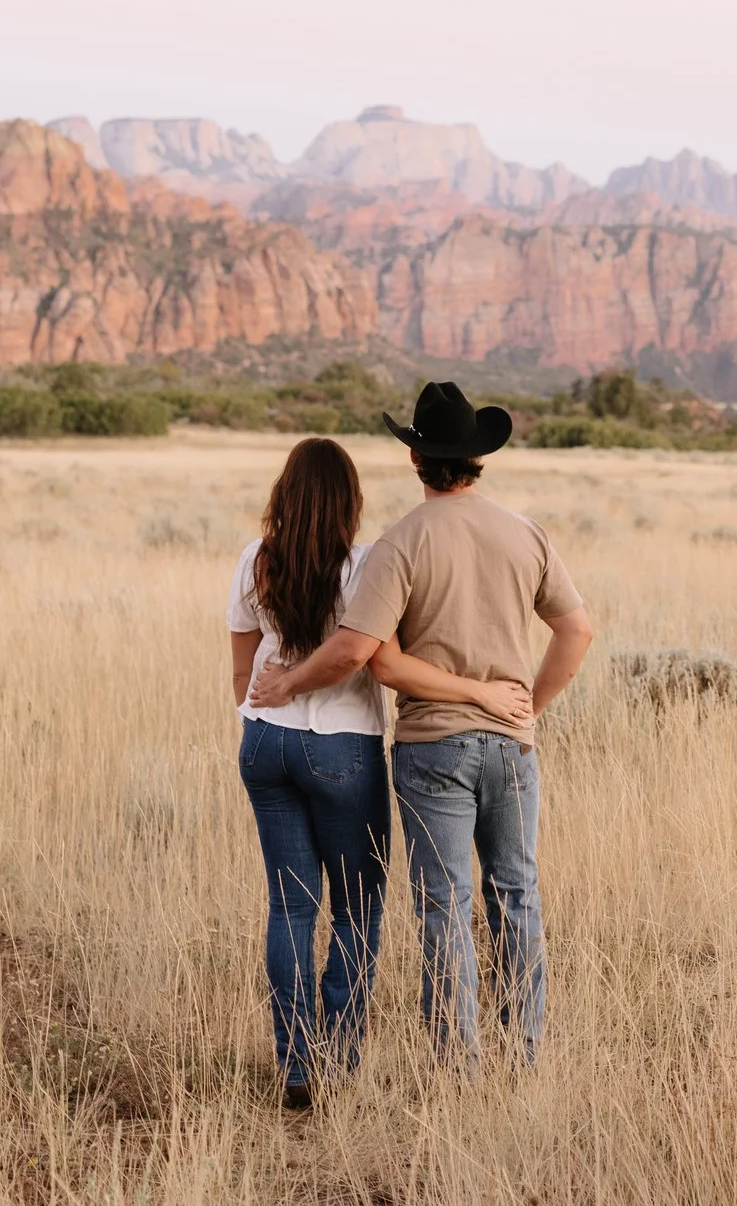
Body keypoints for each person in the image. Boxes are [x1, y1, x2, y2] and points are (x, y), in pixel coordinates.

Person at [251, 383, 595, 1067]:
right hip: (511, 746)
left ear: (415, 459)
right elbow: (577, 630)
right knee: (517, 893)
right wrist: (525, 707)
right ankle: (523, 1051)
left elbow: (376, 661)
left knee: (445, 904)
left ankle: (456, 1062)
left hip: (433, 748)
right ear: (477, 458)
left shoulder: (400, 543)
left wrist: (286, 682)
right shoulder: (525, 533)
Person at [229, 436, 534, 1108]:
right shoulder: (365, 565)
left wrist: (273, 700)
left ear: (283, 494)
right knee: (357, 906)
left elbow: (240, 672)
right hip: (344, 748)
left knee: (289, 905)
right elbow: (370, 657)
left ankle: (296, 1063)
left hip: (265, 744)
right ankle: (338, 1059)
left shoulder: (254, 560)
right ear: (350, 501)